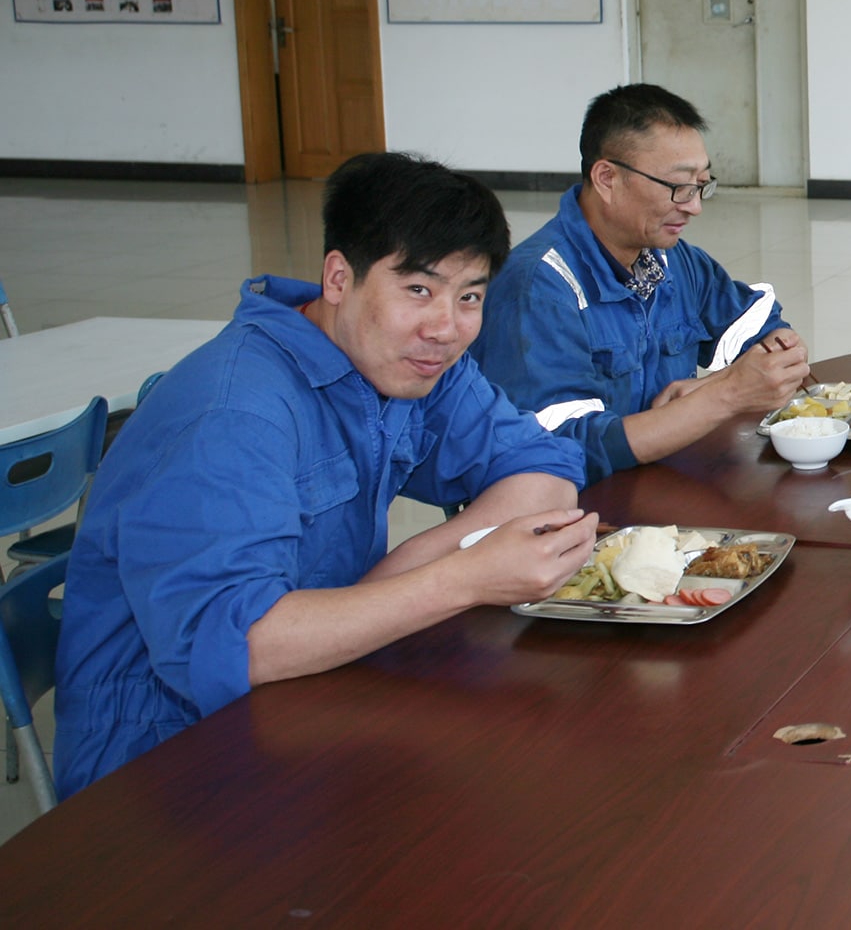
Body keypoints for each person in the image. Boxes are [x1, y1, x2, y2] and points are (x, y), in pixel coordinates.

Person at [55, 153, 599, 796]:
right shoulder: (234, 415)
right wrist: (459, 578)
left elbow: (543, 465)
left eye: (470, 297)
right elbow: (239, 647)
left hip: (320, 692)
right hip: (167, 764)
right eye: (418, 290)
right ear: (339, 278)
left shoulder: (409, 362)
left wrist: (415, 566)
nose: (446, 329)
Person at [471, 84, 810, 485]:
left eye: (702, 184)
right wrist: (724, 395)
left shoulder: (671, 259)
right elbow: (563, 450)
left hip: (663, 480)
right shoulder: (539, 288)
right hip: (584, 503)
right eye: (678, 187)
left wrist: (708, 389)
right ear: (607, 178)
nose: (694, 206)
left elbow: (775, 338)